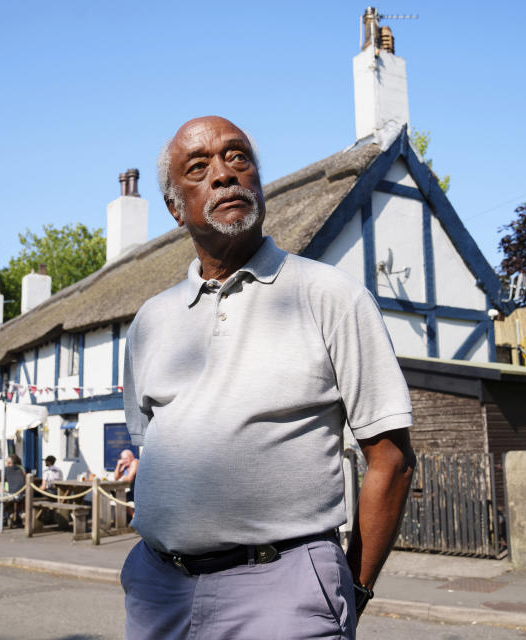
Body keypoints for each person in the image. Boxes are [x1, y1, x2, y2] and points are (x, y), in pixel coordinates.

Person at [121, 116, 415, 639]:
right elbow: (151, 450)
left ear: (258, 180)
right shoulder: (151, 321)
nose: (224, 174)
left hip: (285, 592)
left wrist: (355, 588)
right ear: (173, 208)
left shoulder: (331, 296)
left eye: (238, 158)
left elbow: (390, 460)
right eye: (199, 167)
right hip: (160, 591)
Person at [0, 454, 26, 528]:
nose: (6, 463)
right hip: (23, 494)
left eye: (6, 462)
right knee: (7, 495)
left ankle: (6, 516)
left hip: (13, 495)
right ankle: (17, 515)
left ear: (9, 463)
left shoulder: (6, 469)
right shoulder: (21, 469)